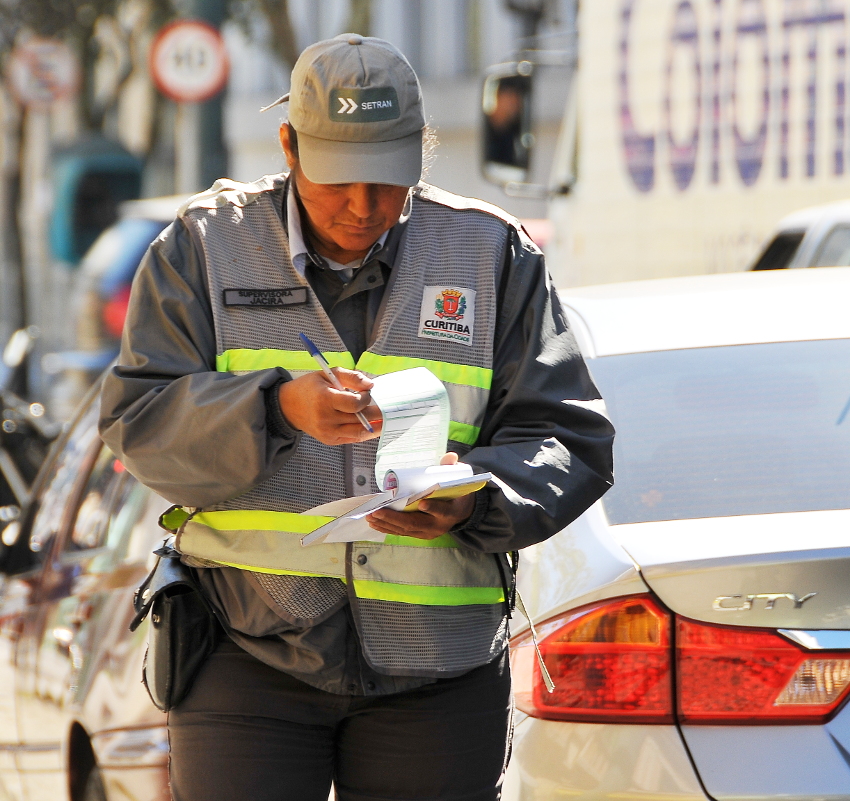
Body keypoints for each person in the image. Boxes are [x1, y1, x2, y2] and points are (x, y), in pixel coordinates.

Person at [99, 33, 614, 801]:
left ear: (421, 155)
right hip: (247, 653)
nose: (362, 205)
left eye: (388, 180)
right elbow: (139, 420)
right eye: (338, 179)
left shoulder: (492, 254)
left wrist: (481, 498)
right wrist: (273, 406)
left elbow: (567, 436)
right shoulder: (204, 249)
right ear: (288, 146)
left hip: (438, 671)